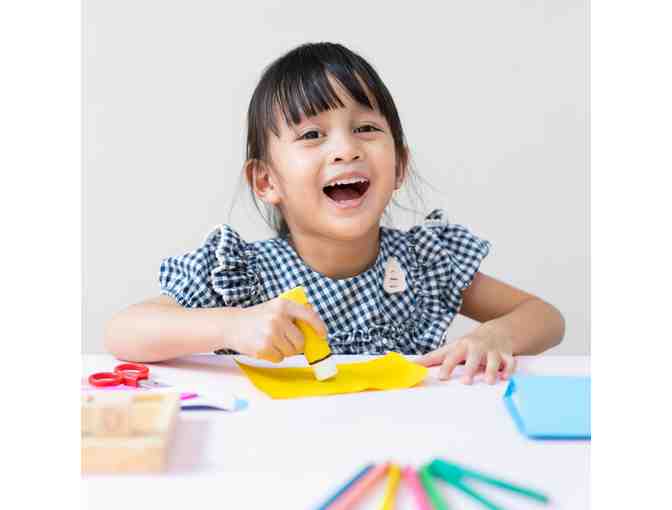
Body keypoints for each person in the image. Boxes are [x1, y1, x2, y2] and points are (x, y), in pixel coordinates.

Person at [105, 42, 565, 385]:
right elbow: (123, 331)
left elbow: (545, 317)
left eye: (365, 128)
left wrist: (497, 336)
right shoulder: (240, 276)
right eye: (312, 135)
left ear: (400, 166)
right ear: (266, 181)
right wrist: (231, 325)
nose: (346, 149)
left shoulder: (426, 264)